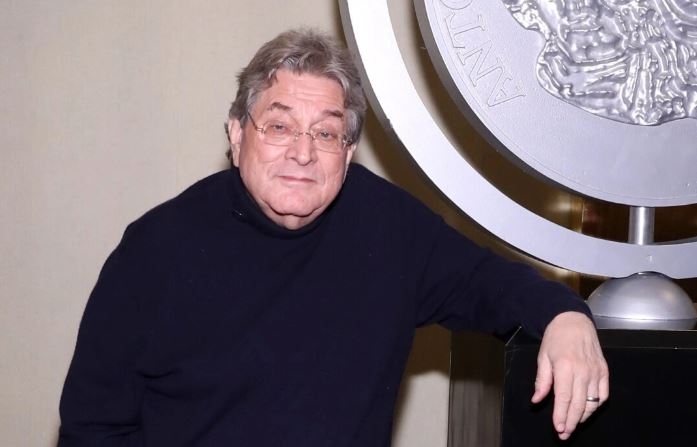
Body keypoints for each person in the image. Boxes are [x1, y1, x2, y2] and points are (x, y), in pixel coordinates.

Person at [57, 28, 608, 446]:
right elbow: (93, 427)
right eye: (279, 125)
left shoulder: (390, 228)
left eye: (325, 132)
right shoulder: (155, 249)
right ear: (235, 134)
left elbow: (489, 282)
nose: (303, 152)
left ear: (347, 153)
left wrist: (565, 317)